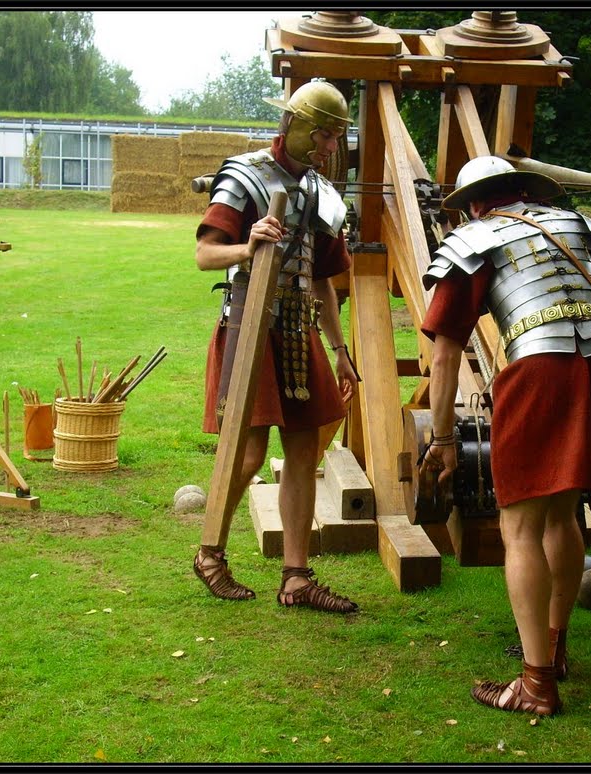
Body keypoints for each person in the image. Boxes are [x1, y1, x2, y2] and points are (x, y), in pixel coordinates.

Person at [419, 156, 591, 716]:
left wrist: (441, 440)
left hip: (541, 370)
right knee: (563, 513)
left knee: (519, 526)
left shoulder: (477, 236)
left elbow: (443, 356)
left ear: (473, 204)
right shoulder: (577, 225)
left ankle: (536, 683)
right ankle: (554, 648)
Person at [191, 79, 360, 614]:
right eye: (327, 136)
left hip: (297, 327)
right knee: (249, 453)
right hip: (248, 324)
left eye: (337, 138)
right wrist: (250, 244)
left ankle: (296, 577)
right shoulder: (244, 176)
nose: (332, 148)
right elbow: (203, 254)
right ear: (299, 127)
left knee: (305, 450)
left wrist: (339, 350)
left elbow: (324, 282)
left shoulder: (318, 192)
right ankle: (210, 554)